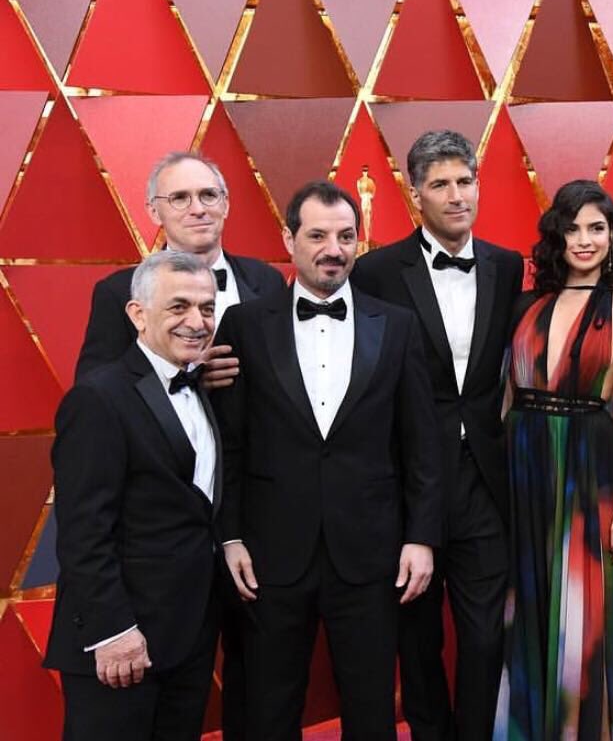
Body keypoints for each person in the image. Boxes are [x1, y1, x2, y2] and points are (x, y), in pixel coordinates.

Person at [212, 181, 442, 740]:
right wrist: (230, 535)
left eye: (345, 236)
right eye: (317, 236)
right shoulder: (244, 323)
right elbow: (229, 444)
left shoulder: (398, 325)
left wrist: (421, 537)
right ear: (288, 239)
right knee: (269, 710)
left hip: (371, 552)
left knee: (371, 711)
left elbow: (421, 444)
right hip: (270, 554)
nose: (333, 249)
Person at [351, 129, 523, 741]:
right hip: (406, 481)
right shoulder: (375, 271)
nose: (456, 196)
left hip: (484, 476)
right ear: (414, 193)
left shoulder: (507, 265)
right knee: (416, 636)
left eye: (465, 181)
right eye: (440, 184)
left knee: (486, 634)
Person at [494, 180, 613, 740]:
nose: (584, 239)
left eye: (597, 228)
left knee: (585, 612)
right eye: (573, 228)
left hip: (589, 470)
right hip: (524, 467)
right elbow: (506, 399)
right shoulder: (527, 305)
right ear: (556, 237)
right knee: (528, 601)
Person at [44, 251, 222, 740]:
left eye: (207, 308)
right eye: (179, 306)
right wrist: (113, 631)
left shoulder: (199, 387)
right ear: (137, 315)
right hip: (121, 643)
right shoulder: (99, 397)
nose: (196, 322)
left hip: (187, 637)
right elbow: (82, 531)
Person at [76, 151, 286, 379]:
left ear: (225, 204)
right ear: (154, 212)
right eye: (179, 198)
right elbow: (93, 386)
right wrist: (186, 377)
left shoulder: (268, 280)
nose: (198, 209)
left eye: (208, 195)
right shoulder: (118, 292)